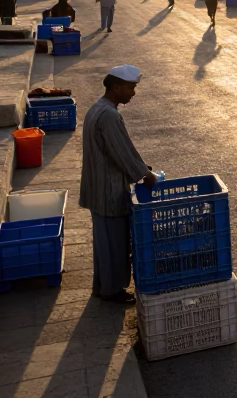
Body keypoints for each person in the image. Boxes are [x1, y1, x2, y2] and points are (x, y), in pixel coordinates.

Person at [80, 65, 159, 305]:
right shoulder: (109, 116)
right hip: (109, 190)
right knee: (114, 245)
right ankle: (112, 290)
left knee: (105, 244)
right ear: (116, 88)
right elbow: (122, 153)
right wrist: (145, 174)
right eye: (130, 88)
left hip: (98, 188)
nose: (133, 93)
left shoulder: (98, 108)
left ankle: (103, 286)